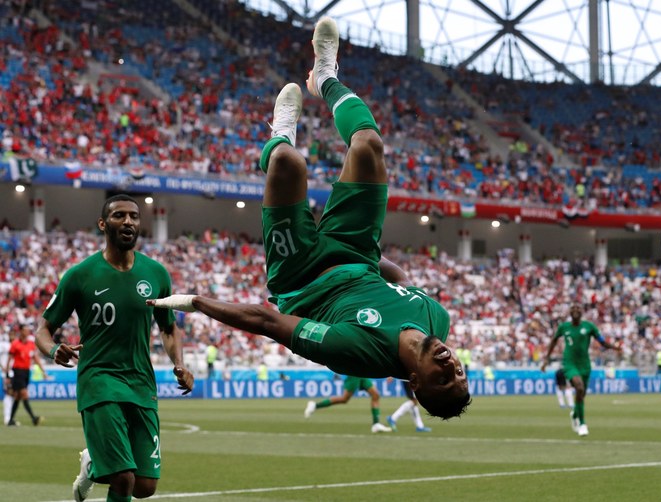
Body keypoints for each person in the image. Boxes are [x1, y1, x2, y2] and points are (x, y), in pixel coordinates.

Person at [149, 17, 470, 421]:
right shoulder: (437, 317)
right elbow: (403, 281)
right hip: (354, 252)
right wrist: (372, 260)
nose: (450, 365)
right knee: (369, 145)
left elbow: (269, 320)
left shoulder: (358, 353)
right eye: (459, 371)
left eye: (443, 379)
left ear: (416, 384)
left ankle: (280, 132)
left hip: (299, 277)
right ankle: (325, 77)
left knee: (287, 162)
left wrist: (196, 301)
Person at [35, 194, 194, 502]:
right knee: (123, 479)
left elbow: (168, 327)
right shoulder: (80, 275)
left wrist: (180, 363)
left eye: (134, 216)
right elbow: (43, 329)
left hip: (141, 382)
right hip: (100, 380)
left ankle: (93, 465)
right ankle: (104, 466)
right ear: (103, 224)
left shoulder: (157, 274)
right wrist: (53, 349)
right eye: (119, 215)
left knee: (145, 487)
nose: (128, 222)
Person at [541, 303, 621, 437]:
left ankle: (575, 414)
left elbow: (601, 342)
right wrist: (546, 359)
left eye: (578, 308)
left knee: (581, 394)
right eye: (573, 308)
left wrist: (615, 348)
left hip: (585, 364)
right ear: (570, 312)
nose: (576, 310)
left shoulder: (589, 327)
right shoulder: (564, 327)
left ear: (582, 311)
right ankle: (582, 424)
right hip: (569, 363)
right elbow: (553, 341)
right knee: (578, 387)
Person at [304, 375, 392, 433]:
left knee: (375, 395)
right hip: (354, 373)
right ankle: (315, 405)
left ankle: (376, 424)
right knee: (344, 399)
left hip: (362, 373)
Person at [4, 324, 46, 426]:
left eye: (28, 330)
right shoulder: (15, 344)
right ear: (21, 331)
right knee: (24, 394)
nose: (27, 332)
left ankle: (10, 420)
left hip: (26, 372)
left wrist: (43, 371)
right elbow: (9, 359)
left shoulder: (31, 344)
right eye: (25, 330)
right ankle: (33, 418)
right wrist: (7, 375)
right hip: (18, 371)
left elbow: (35, 358)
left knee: (18, 397)